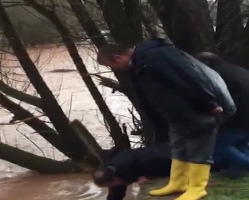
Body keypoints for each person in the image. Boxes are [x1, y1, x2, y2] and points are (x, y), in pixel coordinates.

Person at [97, 38, 237, 200]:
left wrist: (209, 104)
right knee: (178, 148)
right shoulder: (140, 63)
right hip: (177, 114)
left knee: (198, 150)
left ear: (117, 58)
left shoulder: (156, 57)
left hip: (198, 111)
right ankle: (178, 182)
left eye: (111, 66)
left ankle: (197, 188)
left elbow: (189, 79)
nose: (114, 69)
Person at [93, 138, 249, 200]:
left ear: (112, 179)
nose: (109, 189)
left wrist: (146, 175)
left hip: (167, 156)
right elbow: (115, 193)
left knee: (213, 161)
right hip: (162, 158)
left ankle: (242, 160)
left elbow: (159, 161)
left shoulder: (126, 165)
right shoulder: (112, 173)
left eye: (106, 186)